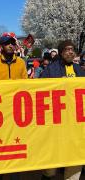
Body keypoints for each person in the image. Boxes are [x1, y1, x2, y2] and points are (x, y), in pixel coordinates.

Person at [0, 32, 28, 180]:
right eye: (6, 43)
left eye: (12, 43)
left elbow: (25, 86)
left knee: (16, 143)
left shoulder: (21, 63)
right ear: (1, 46)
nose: (10, 45)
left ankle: (15, 174)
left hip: (16, 112)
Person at [41, 40, 85, 180]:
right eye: (67, 49)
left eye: (72, 49)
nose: (70, 52)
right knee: (50, 168)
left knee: (75, 162)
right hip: (56, 123)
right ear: (61, 52)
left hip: (75, 123)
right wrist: (58, 84)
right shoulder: (50, 69)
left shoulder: (78, 69)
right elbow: (40, 90)